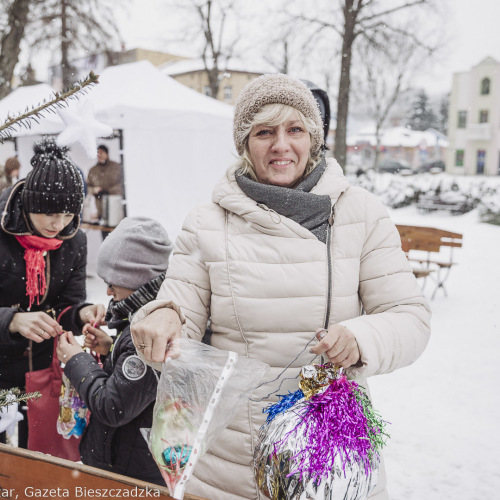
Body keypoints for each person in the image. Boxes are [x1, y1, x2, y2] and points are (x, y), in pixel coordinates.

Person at [130, 74, 431, 500]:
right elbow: (182, 306)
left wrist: (361, 338)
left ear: (314, 137)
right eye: (264, 132)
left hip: (330, 450)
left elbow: (411, 318)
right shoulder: (207, 221)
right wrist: (163, 316)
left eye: (295, 130)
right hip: (232, 459)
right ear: (244, 143)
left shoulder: (359, 213)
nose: (281, 145)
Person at [0, 139, 105, 448]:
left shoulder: (73, 241)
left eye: (69, 214)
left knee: (34, 453)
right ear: (30, 203)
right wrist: (13, 320)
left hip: (40, 370)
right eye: (50, 214)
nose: (59, 225)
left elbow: (65, 306)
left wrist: (81, 312)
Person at [56, 217, 172, 486]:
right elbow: (139, 381)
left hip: (130, 473)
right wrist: (110, 349)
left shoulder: (149, 330)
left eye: (113, 281)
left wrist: (76, 361)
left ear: (137, 278)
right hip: (129, 460)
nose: (107, 290)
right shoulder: (144, 314)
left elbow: (113, 407)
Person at [86, 144, 123, 238]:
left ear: (107, 154)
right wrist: (93, 190)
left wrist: (108, 191)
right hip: (100, 211)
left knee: (117, 236)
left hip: (115, 210)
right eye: (97, 153)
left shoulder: (116, 167)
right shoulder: (93, 170)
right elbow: (87, 187)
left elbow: (122, 185)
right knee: (105, 237)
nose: (99, 156)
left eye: (101, 153)